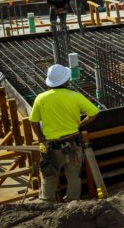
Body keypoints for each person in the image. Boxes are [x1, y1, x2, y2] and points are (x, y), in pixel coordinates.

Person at [29, 64, 99, 202]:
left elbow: (34, 122)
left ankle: (46, 203)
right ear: (65, 81)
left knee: (49, 177)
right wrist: (82, 123)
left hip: (51, 147)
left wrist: (41, 138)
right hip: (73, 144)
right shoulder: (75, 96)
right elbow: (94, 113)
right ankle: (72, 204)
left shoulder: (40, 98)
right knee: (73, 176)